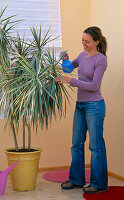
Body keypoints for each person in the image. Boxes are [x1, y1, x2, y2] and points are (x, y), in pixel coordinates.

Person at [55, 26, 108, 194]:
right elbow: (69, 69)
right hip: (81, 105)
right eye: (82, 40)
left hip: (94, 106)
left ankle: (98, 184)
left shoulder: (101, 60)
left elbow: (93, 86)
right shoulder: (82, 55)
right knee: (76, 144)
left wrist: (70, 81)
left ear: (97, 42)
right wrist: (65, 59)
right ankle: (76, 180)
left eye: (87, 41)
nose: (83, 43)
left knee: (95, 146)